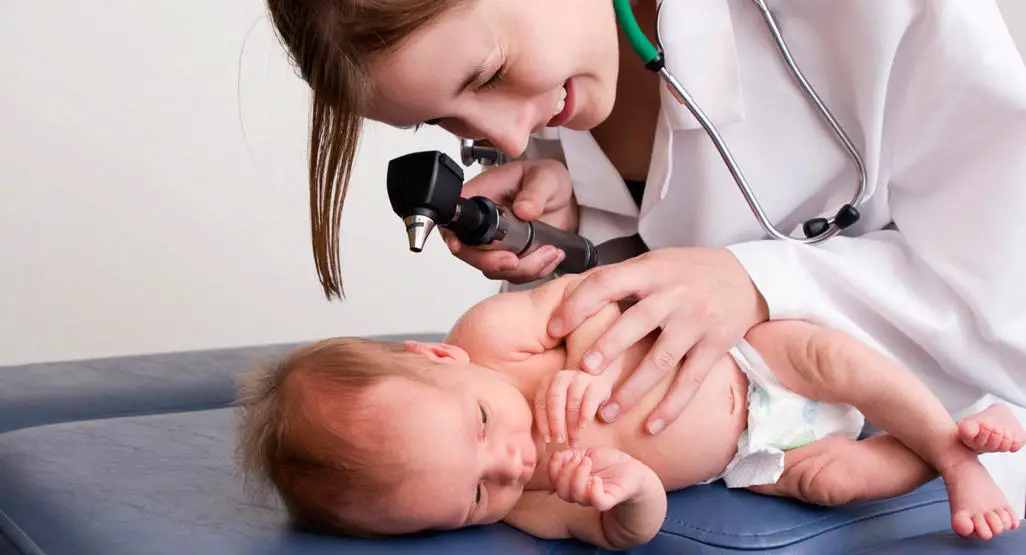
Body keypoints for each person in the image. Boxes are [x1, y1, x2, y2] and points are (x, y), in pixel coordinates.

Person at [264, 0, 1026, 515]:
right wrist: (577, 238)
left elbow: (1007, 291)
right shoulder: (555, 82)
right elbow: (588, 376)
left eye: (488, 75)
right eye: (445, 118)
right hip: (790, 446)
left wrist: (757, 283)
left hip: (978, 433)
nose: (503, 136)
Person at [235, 274, 1023, 546]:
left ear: (440, 358)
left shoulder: (494, 336)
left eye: (480, 423)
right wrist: (628, 489)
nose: (509, 461)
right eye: (475, 495)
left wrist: (586, 357)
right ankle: (940, 444)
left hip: (753, 359)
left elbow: (607, 293)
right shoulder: (535, 506)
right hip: (756, 455)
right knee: (832, 481)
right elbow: (621, 534)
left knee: (831, 359)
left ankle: (956, 459)